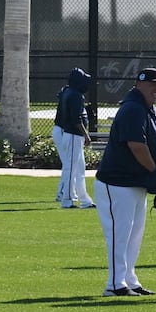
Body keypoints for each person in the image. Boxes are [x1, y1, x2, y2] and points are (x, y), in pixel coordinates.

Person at [93, 67, 156, 297]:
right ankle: (114, 284)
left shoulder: (150, 110)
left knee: (134, 235)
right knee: (120, 234)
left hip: (135, 183)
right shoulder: (133, 109)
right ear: (138, 84)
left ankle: (129, 279)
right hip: (117, 183)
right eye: (151, 84)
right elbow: (137, 146)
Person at [55, 68, 96, 208]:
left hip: (72, 135)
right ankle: (67, 200)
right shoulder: (75, 95)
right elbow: (76, 120)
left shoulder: (68, 92)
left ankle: (85, 200)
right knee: (71, 169)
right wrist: (86, 135)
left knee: (79, 169)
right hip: (73, 135)